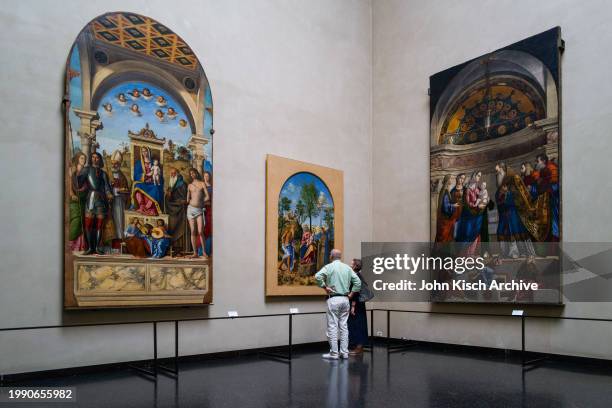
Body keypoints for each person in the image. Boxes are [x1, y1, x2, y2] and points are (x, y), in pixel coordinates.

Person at [315, 249, 361, 360]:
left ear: (331, 256)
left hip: (334, 299)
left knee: (332, 327)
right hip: (345, 300)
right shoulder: (347, 268)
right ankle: (344, 353)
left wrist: (325, 287)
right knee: (344, 327)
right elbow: (358, 283)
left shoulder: (329, 267)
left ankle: (334, 354)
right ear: (340, 257)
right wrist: (351, 294)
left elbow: (317, 276)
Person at [80, 152, 113, 255]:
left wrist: (109, 194)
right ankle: (90, 247)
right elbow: (79, 182)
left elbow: (107, 187)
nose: (95, 159)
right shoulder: (86, 170)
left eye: (97, 157)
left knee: (99, 225)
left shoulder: (103, 173)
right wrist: (79, 173)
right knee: (88, 224)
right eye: (93, 157)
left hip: (101, 200)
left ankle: (97, 247)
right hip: (91, 198)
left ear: (100, 159)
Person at [348, 259, 369, 356]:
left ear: (355, 266)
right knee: (356, 324)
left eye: (351, 263)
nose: (350, 265)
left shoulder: (356, 276)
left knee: (358, 325)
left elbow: (356, 292)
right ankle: (357, 345)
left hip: (356, 305)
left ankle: (359, 347)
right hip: (358, 304)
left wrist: (353, 306)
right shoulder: (358, 275)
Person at [186, 168, 209, 259]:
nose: (192, 175)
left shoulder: (202, 183)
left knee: (200, 231)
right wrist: (189, 200)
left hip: (199, 210)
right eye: (190, 174)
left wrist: (201, 202)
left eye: (193, 173)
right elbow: (187, 199)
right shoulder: (189, 185)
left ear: (196, 173)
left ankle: (204, 252)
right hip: (190, 210)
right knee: (192, 231)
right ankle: (195, 253)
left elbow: (207, 196)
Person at [166, 167, 188, 251]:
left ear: (177, 174)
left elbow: (183, 199)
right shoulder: (171, 184)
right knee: (171, 227)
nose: (172, 174)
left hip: (179, 210)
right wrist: (168, 196)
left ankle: (180, 248)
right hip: (172, 210)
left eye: (174, 173)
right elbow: (168, 198)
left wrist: (176, 201)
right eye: (171, 173)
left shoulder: (182, 184)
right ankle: (172, 247)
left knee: (178, 227)